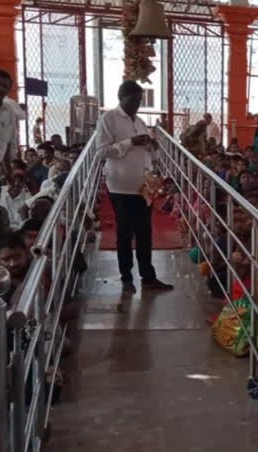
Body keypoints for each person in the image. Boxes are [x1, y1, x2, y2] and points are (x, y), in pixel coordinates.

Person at [95, 80, 172, 293]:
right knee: (125, 233)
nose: (138, 104)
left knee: (145, 233)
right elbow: (101, 151)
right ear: (122, 97)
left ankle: (148, 277)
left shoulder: (139, 121)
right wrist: (130, 142)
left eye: (140, 100)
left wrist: (152, 147)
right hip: (120, 186)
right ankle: (126, 277)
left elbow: (146, 151)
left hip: (142, 186)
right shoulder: (108, 119)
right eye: (134, 99)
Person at [0, 164, 31, 229]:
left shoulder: (28, 199)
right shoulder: (0, 191)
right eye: (14, 179)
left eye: (21, 180)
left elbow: (25, 222)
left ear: (25, 182)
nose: (16, 183)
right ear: (9, 179)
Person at [0, 70, 18, 175]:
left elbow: (8, 143)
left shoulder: (9, 111)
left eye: (4, 86)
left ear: (9, 90)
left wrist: (8, 171)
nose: (0, 88)